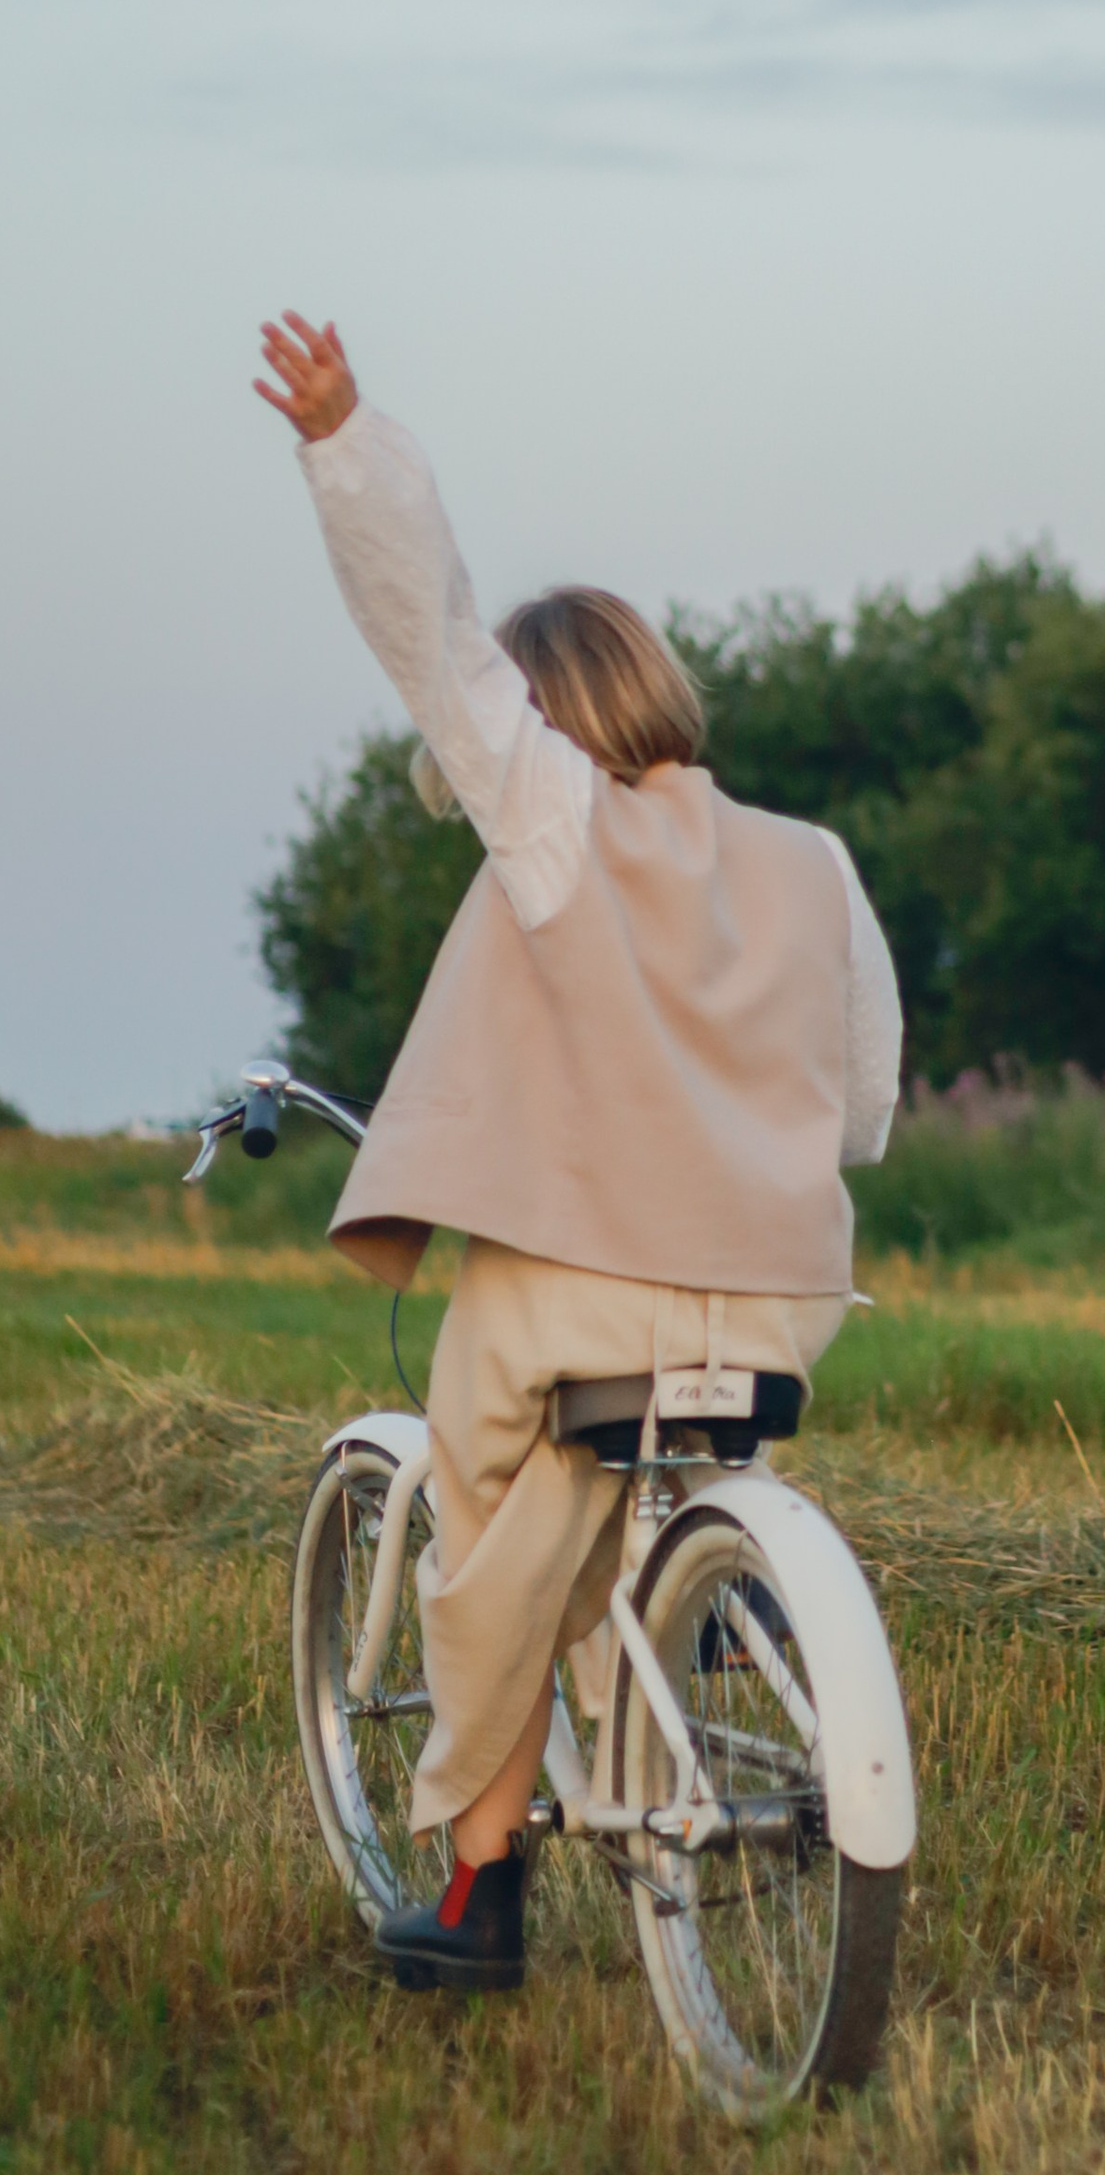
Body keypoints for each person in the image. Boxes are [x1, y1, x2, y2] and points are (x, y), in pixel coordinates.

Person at [253, 310, 901, 1993]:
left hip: (584, 1312)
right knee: (598, 1483)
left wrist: (345, 442)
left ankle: (480, 1871)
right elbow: (865, 1106)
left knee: (489, 1504)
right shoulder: (815, 859)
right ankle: (651, 1688)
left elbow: (435, 638)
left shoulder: (552, 817)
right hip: (773, 1308)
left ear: (550, 718)